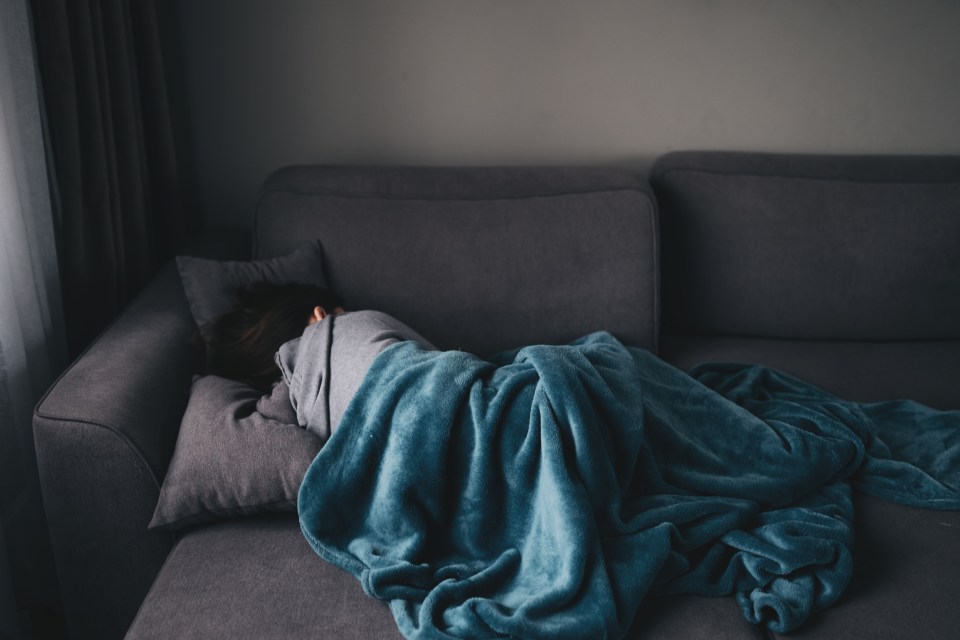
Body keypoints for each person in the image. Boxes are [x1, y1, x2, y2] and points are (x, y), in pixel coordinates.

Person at [204, 281, 435, 442]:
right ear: (321, 314)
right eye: (343, 312)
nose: (348, 317)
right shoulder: (355, 323)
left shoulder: (285, 397)